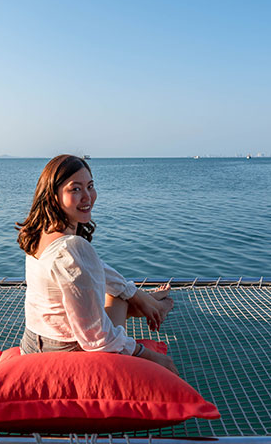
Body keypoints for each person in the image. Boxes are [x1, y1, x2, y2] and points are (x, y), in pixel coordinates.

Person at [16, 154, 177, 374]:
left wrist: (136, 294)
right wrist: (148, 355)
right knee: (116, 297)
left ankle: (148, 301)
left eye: (90, 186)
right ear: (53, 197)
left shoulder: (41, 233)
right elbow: (96, 338)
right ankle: (154, 306)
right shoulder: (70, 249)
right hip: (65, 355)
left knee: (119, 293)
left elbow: (99, 270)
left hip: (31, 345)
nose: (88, 197)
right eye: (75, 189)